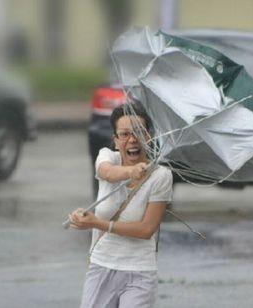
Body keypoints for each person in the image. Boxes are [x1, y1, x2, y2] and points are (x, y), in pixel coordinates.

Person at [69, 104, 173, 307]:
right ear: (116, 140)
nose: (132, 140)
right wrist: (130, 172)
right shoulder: (107, 157)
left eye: (139, 133)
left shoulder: (161, 176)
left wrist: (98, 223)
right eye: (124, 134)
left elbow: (146, 229)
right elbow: (107, 172)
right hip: (101, 266)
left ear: (149, 137)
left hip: (140, 272)